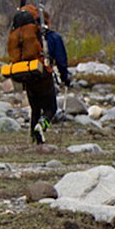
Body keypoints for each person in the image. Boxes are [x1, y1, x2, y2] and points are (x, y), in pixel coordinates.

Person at [25, 11, 71, 145]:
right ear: (47, 22)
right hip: (44, 76)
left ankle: (35, 141)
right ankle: (41, 127)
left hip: (28, 76)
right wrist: (65, 78)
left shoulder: (29, 38)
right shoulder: (52, 37)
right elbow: (61, 61)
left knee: (35, 109)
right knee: (51, 108)